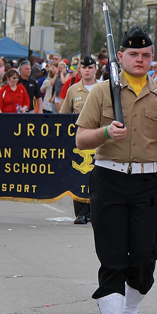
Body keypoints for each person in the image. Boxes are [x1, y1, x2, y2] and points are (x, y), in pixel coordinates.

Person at [75, 26, 157, 314]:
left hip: (147, 184)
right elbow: (81, 139)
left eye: (146, 55)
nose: (140, 60)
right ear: (120, 56)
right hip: (109, 179)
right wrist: (106, 132)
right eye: (134, 54)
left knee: (144, 261)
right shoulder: (103, 93)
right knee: (112, 260)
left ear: (153, 59)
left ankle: (130, 313)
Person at [60, 56, 99, 224]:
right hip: (80, 140)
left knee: (97, 176)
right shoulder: (73, 90)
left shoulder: (103, 88)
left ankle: (94, 210)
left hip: (99, 138)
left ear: (96, 69)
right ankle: (81, 212)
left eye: (91, 67)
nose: (88, 70)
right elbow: (64, 115)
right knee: (79, 174)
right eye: (84, 67)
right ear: (80, 70)